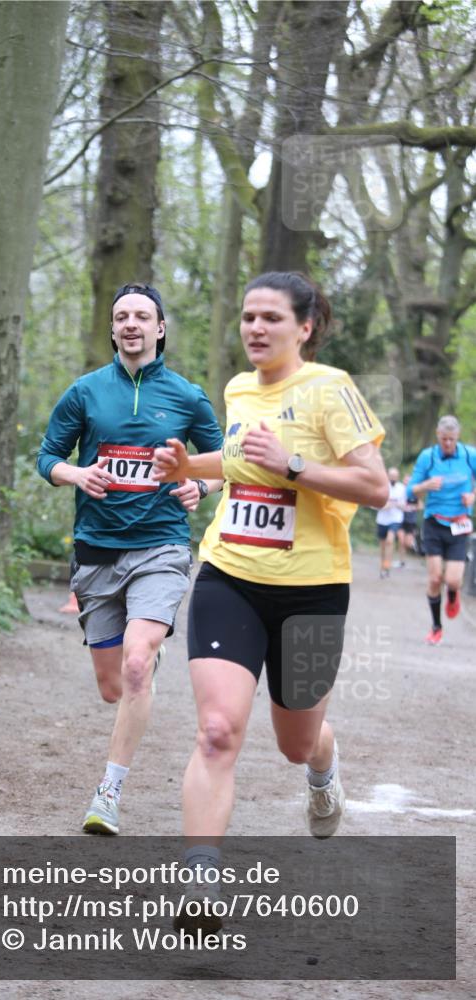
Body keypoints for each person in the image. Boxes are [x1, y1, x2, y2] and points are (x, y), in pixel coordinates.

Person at [153, 271, 388, 931]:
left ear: (304, 327)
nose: (255, 328)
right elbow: (238, 462)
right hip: (229, 576)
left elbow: (374, 489)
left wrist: (293, 466)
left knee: (296, 741)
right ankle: (200, 888)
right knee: (218, 730)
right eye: (247, 316)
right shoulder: (235, 389)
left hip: (311, 591)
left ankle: (322, 767)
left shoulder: (330, 389)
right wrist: (187, 468)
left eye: (271, 318)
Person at [37, 282, 223, 835]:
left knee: (138, 664)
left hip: (161, 546)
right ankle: (140, 665)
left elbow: (221, 464)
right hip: (96, 551)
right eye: (122, 316)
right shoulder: (85, 392)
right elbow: (48, 456)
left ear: (161, 328)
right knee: (114, 685)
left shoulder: (188, 396)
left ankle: (108, 793)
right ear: (113, 328)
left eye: (143, 315)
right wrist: (77, 472)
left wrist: (201, 489)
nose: (131, 324)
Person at [406, 415, 476, 646]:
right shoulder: (428, 457)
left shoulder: (468, 455)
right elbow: (410, 491)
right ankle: (436, 627)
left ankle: (453, 596)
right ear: (438, 436)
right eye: (444, 439)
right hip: (434, 523)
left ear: (458, 437)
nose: (447, 443)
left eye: (452, 439)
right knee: (435, 578)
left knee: (453, 581)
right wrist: (425, 486)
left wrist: (472, 496)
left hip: (459, 523)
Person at [376, 467, 406, 577]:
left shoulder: (402, 488)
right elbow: (374, 504)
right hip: (382, 520)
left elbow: (404, 505)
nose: (393, 478)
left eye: (395, 476)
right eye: (391, 476)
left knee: (390, 541)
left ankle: (387, 566)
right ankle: (383, 567)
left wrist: (398, 505)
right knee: (383, 546)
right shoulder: (382, 487)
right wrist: (383, 506)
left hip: (395, 519)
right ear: (388, 476)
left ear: (398, 477)